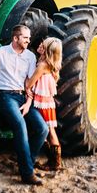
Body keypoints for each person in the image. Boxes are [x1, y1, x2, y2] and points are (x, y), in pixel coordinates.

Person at [0, 25, 49, 185]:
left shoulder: (30, 57)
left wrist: (28, 103)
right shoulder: (0, 53)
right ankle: (27, 174)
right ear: (16, 38)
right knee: (20, 125)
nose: (29, 40)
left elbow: (29, 83)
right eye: (25, 38)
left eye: (29, 38)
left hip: (24, 97)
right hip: (6, 96)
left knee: (42, 129)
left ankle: (28, 164)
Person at [21, 37, 63, 171]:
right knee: (50, 130)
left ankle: (54, 162)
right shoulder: (50, 64)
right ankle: (54, 161)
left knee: (49, 131)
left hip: (41, 102)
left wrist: (23, 78)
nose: (39, 44)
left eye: (42, 45)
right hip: (47, 101)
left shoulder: (42, 65)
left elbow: (29, 84)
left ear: (47, 51)